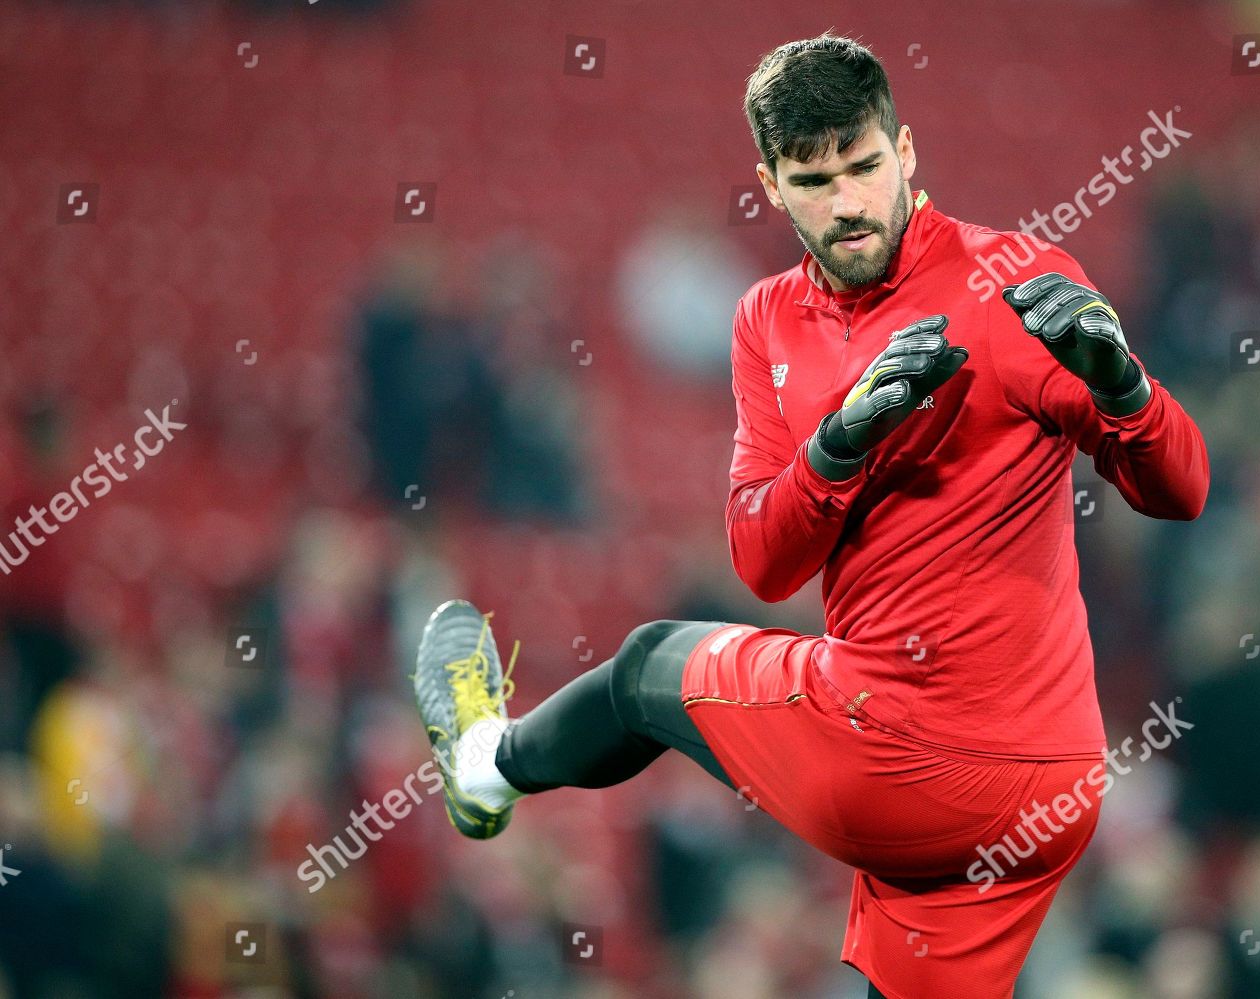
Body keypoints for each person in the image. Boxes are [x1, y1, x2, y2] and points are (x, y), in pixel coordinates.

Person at [411, 33, 1209, 999]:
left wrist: (1126, 389)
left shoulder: (1016, 285)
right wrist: (840, 443)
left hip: (911, 758)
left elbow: (1181, 489)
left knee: (647, 666)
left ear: (905, 151)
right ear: (770, 183)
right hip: (1038, 798)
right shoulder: (766, 319)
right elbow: (764, 560)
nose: (846, 202)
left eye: (865, 167)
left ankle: (486, 766)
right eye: (812, 178)